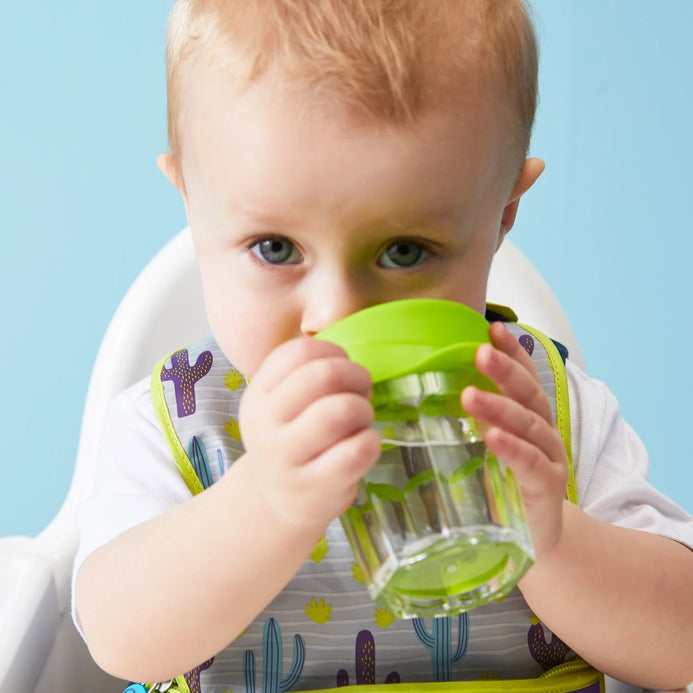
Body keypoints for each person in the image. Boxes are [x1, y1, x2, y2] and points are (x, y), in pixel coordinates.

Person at [72, 1, 693, 691]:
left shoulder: (534, 408)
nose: (337, 314)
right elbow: (119, 641)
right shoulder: (182, 420)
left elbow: (681, 645)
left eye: (403, 251)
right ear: (191, 204)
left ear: (502, 215)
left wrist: (554, 536)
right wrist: (262, 502)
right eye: (275, 248)